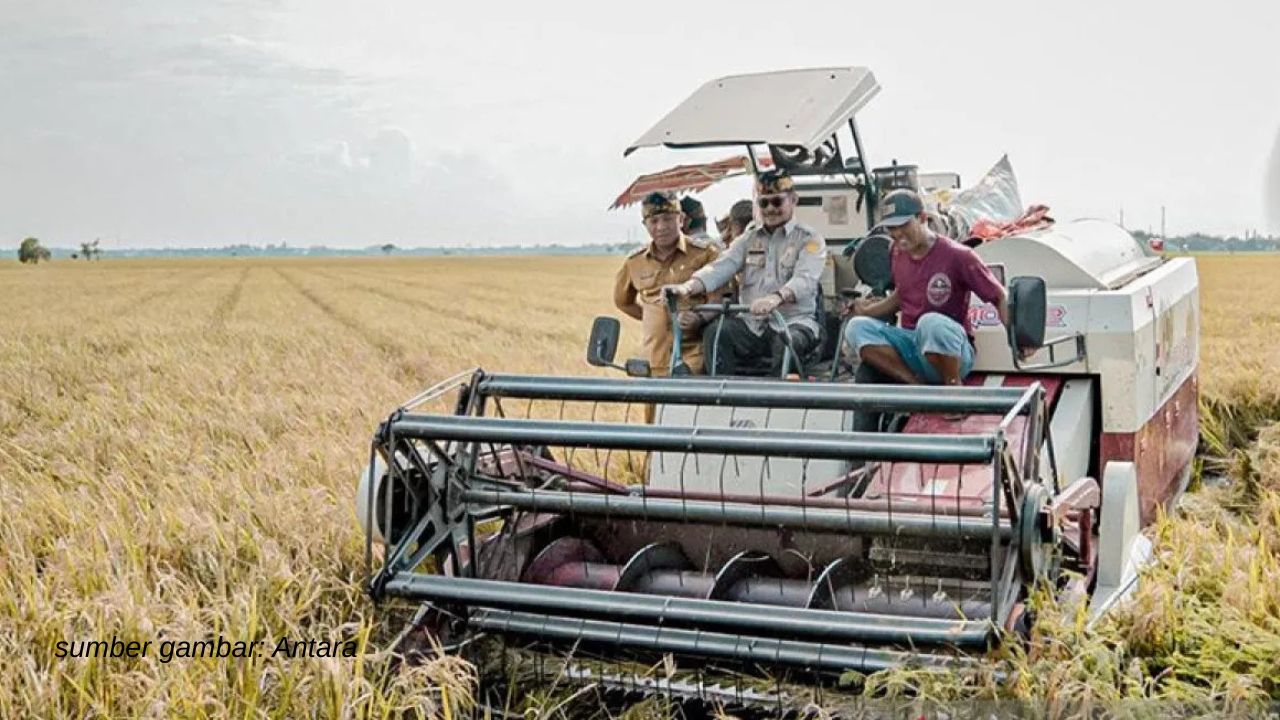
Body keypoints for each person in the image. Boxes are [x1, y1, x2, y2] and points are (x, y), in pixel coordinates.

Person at [666, 169, 827, 376]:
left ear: (793, 200)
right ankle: (721, 398)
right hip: (752, 325)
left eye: (777, 202)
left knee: (787, 342)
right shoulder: (748, 240)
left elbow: (805, 279)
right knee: (716, 333)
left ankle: (775, 401)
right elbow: (720, 267)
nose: (770, 209)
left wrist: (776, 298)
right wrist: (686, 288)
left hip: (793, 323)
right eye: (763, 203)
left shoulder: (809, 239)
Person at [842, 189, 1012, 385]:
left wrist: (1021, 341)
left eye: (903, 225)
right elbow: (902, 295)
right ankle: (914, 384)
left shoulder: (958, 256)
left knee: (930, 324)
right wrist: (865, 310)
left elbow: (999, 296)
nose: (897, 233)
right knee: (856, 327)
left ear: (922, 218)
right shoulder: (896, 252)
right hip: (912, 347)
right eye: (891, 227)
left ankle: (953, 390)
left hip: (952, 350)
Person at [614, 191, 722, 374]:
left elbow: (718, 299)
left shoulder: (706, 254)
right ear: (645, 225)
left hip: (694, 358)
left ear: (681, 219)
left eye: (668, 219)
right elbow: (622, 302)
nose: (661, 227)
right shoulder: (634, 262)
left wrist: (698, 318)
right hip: (653, 360)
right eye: (654, 221)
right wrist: (653, 316)